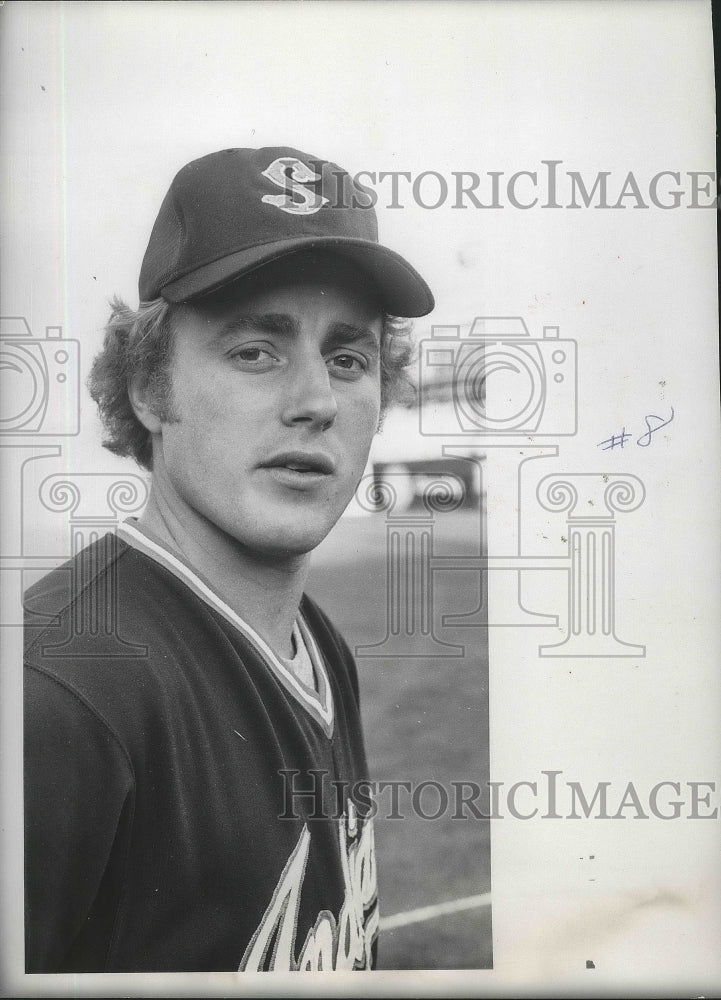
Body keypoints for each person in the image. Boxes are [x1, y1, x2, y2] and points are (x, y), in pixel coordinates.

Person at [23, 146, 434, 973]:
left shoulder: (318, 641)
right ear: (149, 386)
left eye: (348, 358)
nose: (316, 401)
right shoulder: (58, 694)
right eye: (255, 350)